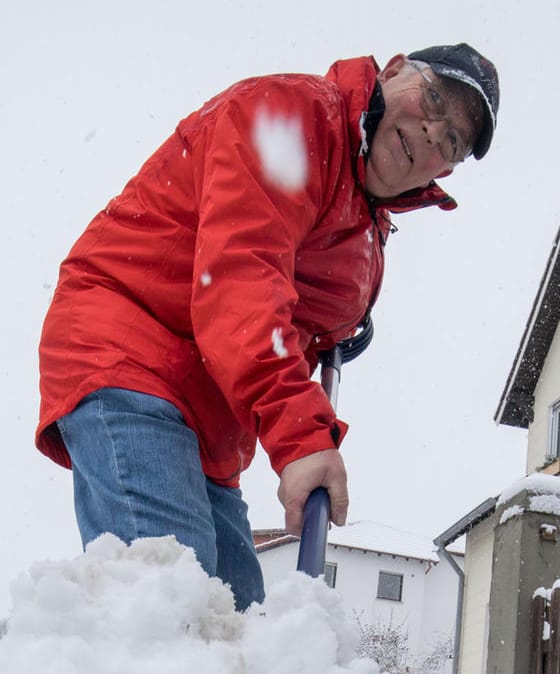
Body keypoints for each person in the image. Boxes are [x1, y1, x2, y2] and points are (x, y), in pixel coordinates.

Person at [36, 44, 499, 608]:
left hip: (207, 410)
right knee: (170, 612)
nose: (432, 131)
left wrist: (333, 332)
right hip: (130, 352)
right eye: (432, 99)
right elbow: (240, 284)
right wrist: (302, 438)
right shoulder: (290, 117)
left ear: (446, 169)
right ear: (394, 71)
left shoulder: (366, 219)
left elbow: (289, 302)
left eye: (452, 139)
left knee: (237, 624)